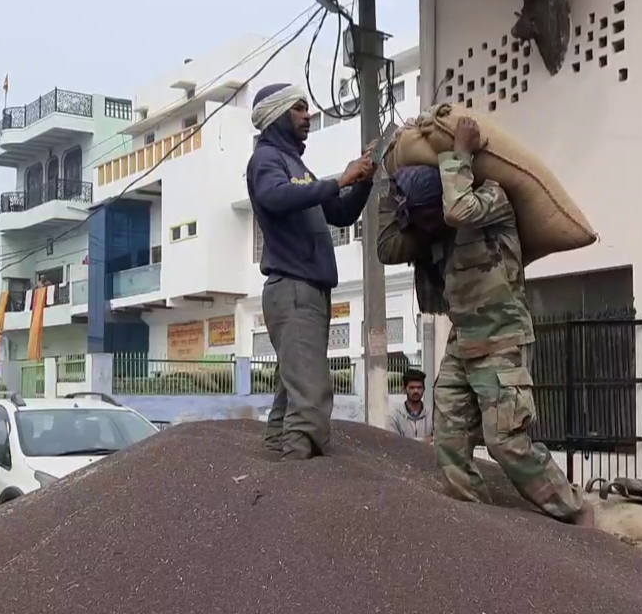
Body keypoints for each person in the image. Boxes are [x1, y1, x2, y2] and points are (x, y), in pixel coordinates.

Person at [376, 116, 592, 526]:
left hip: (501, 339)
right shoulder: (434, 225)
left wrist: (460, 152)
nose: (424, 226)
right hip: (463, 342)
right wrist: (386, 179)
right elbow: (388, 247)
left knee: (506, 441)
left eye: (425, 216)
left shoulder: (492, 199)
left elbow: (458, 209)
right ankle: (480, 529)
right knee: (450, 442)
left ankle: (575, 513)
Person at [246, 83, 376, 461]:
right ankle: (297, 487)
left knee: (294, 391)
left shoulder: (297, 167)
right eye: (299, 109)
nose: (308, 116)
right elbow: (274, 196)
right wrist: (339, 180)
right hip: (293, 288)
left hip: (309, 290)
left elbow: (339, 213)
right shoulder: (267, 159)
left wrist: (363, 179)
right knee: (311, 397)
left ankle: (274, 465)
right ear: (276, 115)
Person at [386, 368, 433, 442]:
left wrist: (405, 441)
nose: (416, 391)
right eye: (412, 388)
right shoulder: (394, 415)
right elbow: (393, 443)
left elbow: (438, 442)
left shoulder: (432, 414)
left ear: (424, 389)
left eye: (419, 387)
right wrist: (424, 440)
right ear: (404, 389)